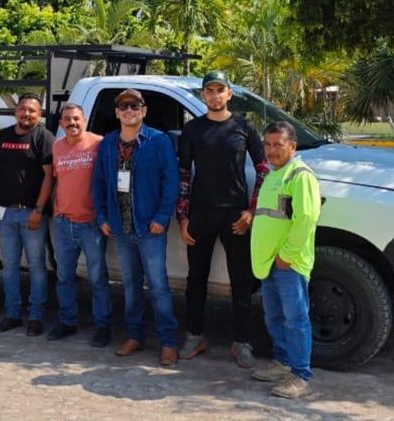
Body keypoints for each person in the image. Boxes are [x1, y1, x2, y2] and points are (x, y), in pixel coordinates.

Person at [176, 70, 269, 368]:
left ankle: (241, 342)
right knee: (196, 279)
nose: (215, 95)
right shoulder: (193, 130)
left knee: (241, 280)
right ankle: (194, 335)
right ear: (203, 95)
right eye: (209, 90)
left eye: (220, 90)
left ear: (229, 93)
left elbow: (264, 170)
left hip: (235, 214)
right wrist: (182, 217)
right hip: (200, 213)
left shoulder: (244, 127)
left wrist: (251, 211)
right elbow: (184, 175)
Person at [92, 89, 180, 365]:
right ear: (117, 113)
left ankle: (168, 342)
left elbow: (171, 181)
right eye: (123, 107)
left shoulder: (158, 141)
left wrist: (162, 217)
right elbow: (98, 183)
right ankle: (134, 335)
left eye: (135, 106)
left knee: (158, 286)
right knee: (130, 285)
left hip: (149, 227)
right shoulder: (108, 144)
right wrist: (102, 217)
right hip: (120, 227)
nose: (129, 110)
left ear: (144, 111)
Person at [250, 121, 320, 399]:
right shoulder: (273, 174)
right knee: (275, 316)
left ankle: (301, 376)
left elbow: (306, 219)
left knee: (295, 319)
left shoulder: (300, 176)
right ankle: (282, 364)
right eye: (267, 145)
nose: (271, 150)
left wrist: (287, 256)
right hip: (270, 262)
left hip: (288, 263)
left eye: (278, 144)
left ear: (293, 146)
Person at [0, 92, 54, 336]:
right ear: (16, 111)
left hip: (32, 214)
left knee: (36, 266)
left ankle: (36, 316)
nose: (27, 114)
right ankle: (12, 314)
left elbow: (49, 176)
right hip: (5, 213)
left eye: (32, 111)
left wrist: (39, 209)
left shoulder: (44, 137)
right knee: (10, 266)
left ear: (40, 114)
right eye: (23, 109)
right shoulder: (3, 136)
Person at [46, 104, 111, 347]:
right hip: (63, 223)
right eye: (67, 119)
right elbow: (57, 180)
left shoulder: (99, 143)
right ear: (61, 123)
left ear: (84, 120)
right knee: (64, 276)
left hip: (91, 224)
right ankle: (67, 321)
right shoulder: (57, 146)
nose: (72, 123)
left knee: (98, 278)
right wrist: (55, 207)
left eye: (76, 118)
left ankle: (102, 326)